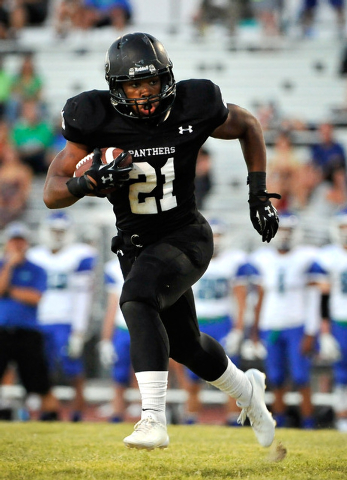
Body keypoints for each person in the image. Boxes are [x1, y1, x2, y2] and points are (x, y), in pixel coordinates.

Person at [42, 32, 280, 450]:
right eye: (134, 84)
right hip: (136, 244)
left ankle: (152, 418)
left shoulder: (195, 103)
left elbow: (248, 125)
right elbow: (52, 192)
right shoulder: (92, 116)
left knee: (136, 299)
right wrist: (86, 183)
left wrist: (258, 193)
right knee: (188, 345)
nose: (145, 92)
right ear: (117, 88)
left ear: (166, 78)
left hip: (186, 234)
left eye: (151, 81)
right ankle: (251, 395)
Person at [240, 212, 321, 429]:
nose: (284, 235)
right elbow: (257, 297)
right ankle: (280, 422)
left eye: (288, 230)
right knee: (275, 378)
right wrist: (254, 330)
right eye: (280, 230)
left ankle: (309, 424)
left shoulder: (307, 257)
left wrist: (312, 330)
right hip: (270, 325)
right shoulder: (261, 258)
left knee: (301, 377)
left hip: (297, 324)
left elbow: (314, 297)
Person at [27, 211, 98, 422]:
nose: (57, 234)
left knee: (73, 369)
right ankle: (41, 410)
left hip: (66, 320)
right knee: (39, 369)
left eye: (61, 231)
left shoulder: (80, 255)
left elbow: (84, 297)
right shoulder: (34, 255)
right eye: (54, 230)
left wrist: (79, 329)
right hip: (39, 320)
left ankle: (78, 412)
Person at [183, 219, 248, 426]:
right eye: (213, 234)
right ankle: (191, 419)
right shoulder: (189, 258)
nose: (215, 240)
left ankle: (232, 420)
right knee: (192, 377)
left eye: (219, 235)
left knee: (229, 376)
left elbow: (241, 299)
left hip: (222, 322)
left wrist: (238, 330)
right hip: (196, 322)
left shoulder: (234, 261)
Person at [0, 221, 60, 420]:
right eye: (13, 241)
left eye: (20, 241)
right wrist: (9, 266)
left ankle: (51, 416)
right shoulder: (3, 266)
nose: (17, 245)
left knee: (39, 380)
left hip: (27, 330)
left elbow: (35, 297)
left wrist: (10, 291)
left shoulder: (36, 269)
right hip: (2, 329)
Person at [311, 207, 347, 432]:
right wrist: (326, 331)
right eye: (344, 227)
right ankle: (344, 417)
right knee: (342, 373)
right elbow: (323, 298)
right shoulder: (328, 256)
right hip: (340, 323)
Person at [98, 256, 131, 423]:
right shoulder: (114, 266)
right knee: (119, 376)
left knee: (154, 373)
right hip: (123, 328)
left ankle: (155, 416)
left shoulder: (158, 259)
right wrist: (106, 339)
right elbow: (113, 305)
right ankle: (117, 415)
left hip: (151, 326)